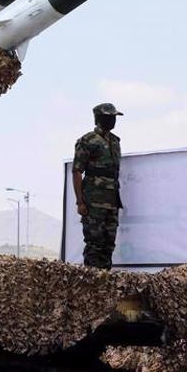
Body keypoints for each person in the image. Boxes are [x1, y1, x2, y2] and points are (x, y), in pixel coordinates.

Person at [72, 103, 123, 270]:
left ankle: (105, 283)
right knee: (95, 244)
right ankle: (92, 286)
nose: (112, 120)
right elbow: (77, 172)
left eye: (114, 117)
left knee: (109, 244)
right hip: (93, 202)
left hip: (112, 200)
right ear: (99, 119)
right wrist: (80, 202)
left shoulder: (115, 141)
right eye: (109, 117)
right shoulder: (87, 141)